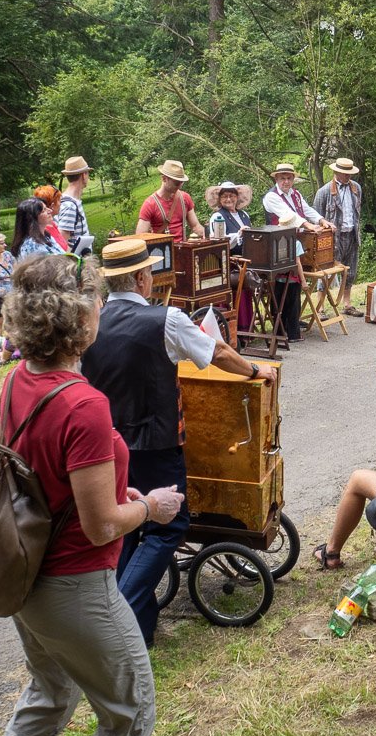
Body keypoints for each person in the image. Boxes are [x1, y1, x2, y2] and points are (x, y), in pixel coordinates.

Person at [0, 254, 183, 736]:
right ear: (80, 315)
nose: (102, 305)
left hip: (26, 572)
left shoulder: (17, 379)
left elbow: (43, 471)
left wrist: (114, 489)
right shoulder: (84, 404)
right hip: (75, 582)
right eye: (97, 298)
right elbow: (100, 526)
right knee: (130, 713)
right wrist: (150, 507)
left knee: (50, 693)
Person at [81, 239, 274, 646]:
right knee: (169, 526)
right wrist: (254, 370)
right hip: (156, 442)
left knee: (128, 526)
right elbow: (218, 352)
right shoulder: (165, 320)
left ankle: (141, 626)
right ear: (141, 278)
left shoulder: (90, 322)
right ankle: (122, 614)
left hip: (108, 443)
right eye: (150, 272)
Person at [263, 165, 332, 342]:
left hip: (295, 243)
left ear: (293, 179)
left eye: (289, 178)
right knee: (282, 286)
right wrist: (309, 226)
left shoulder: (296, 194)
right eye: (282, 178)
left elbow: (306, 210)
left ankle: (292, 321)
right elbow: (289, 215)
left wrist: (322, 221)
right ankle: (282, 326)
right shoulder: (271, 197)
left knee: (293, 286)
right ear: (276, 179)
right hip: (278, 246)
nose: (286, 181)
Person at [312, 158, 363, 315]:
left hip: (352, 235)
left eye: (349, 173)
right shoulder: (324, 192)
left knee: (350, 272)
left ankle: (347, 305)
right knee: (326, 273)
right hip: (332, 239)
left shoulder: (356, 188)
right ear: (336, 172)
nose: (348, 176)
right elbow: (315, 216)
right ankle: (320, 308)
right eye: (345, 173)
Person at [136, 160, 206, 240]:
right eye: (177, 183)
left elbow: (195, 226)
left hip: (183, 247)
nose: (180, 186)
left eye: (181, 182)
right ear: (164, 179)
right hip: (161, 247)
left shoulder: (185, 198)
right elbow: (140, 237)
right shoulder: (150, 204)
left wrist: (209, 235)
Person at [203, 181, 253, 254]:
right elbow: (219, 242)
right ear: (219, 199)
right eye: (225, 196)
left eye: (232, 196)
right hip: (230, 258)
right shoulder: (218, 217)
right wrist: (239, 234)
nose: (228, 199)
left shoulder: (244, 214)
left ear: (237, 197)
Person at [55, 155, 93, 244]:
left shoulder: (72, 202)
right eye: (87, 173)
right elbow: (62, 244)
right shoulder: (69, 206)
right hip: (74, 254)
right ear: (83, 175)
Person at [32, 186, 71, 252]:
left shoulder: (52, 224)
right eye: (59, 201)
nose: (60, 204)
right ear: (52, 205)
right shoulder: (43, 229)